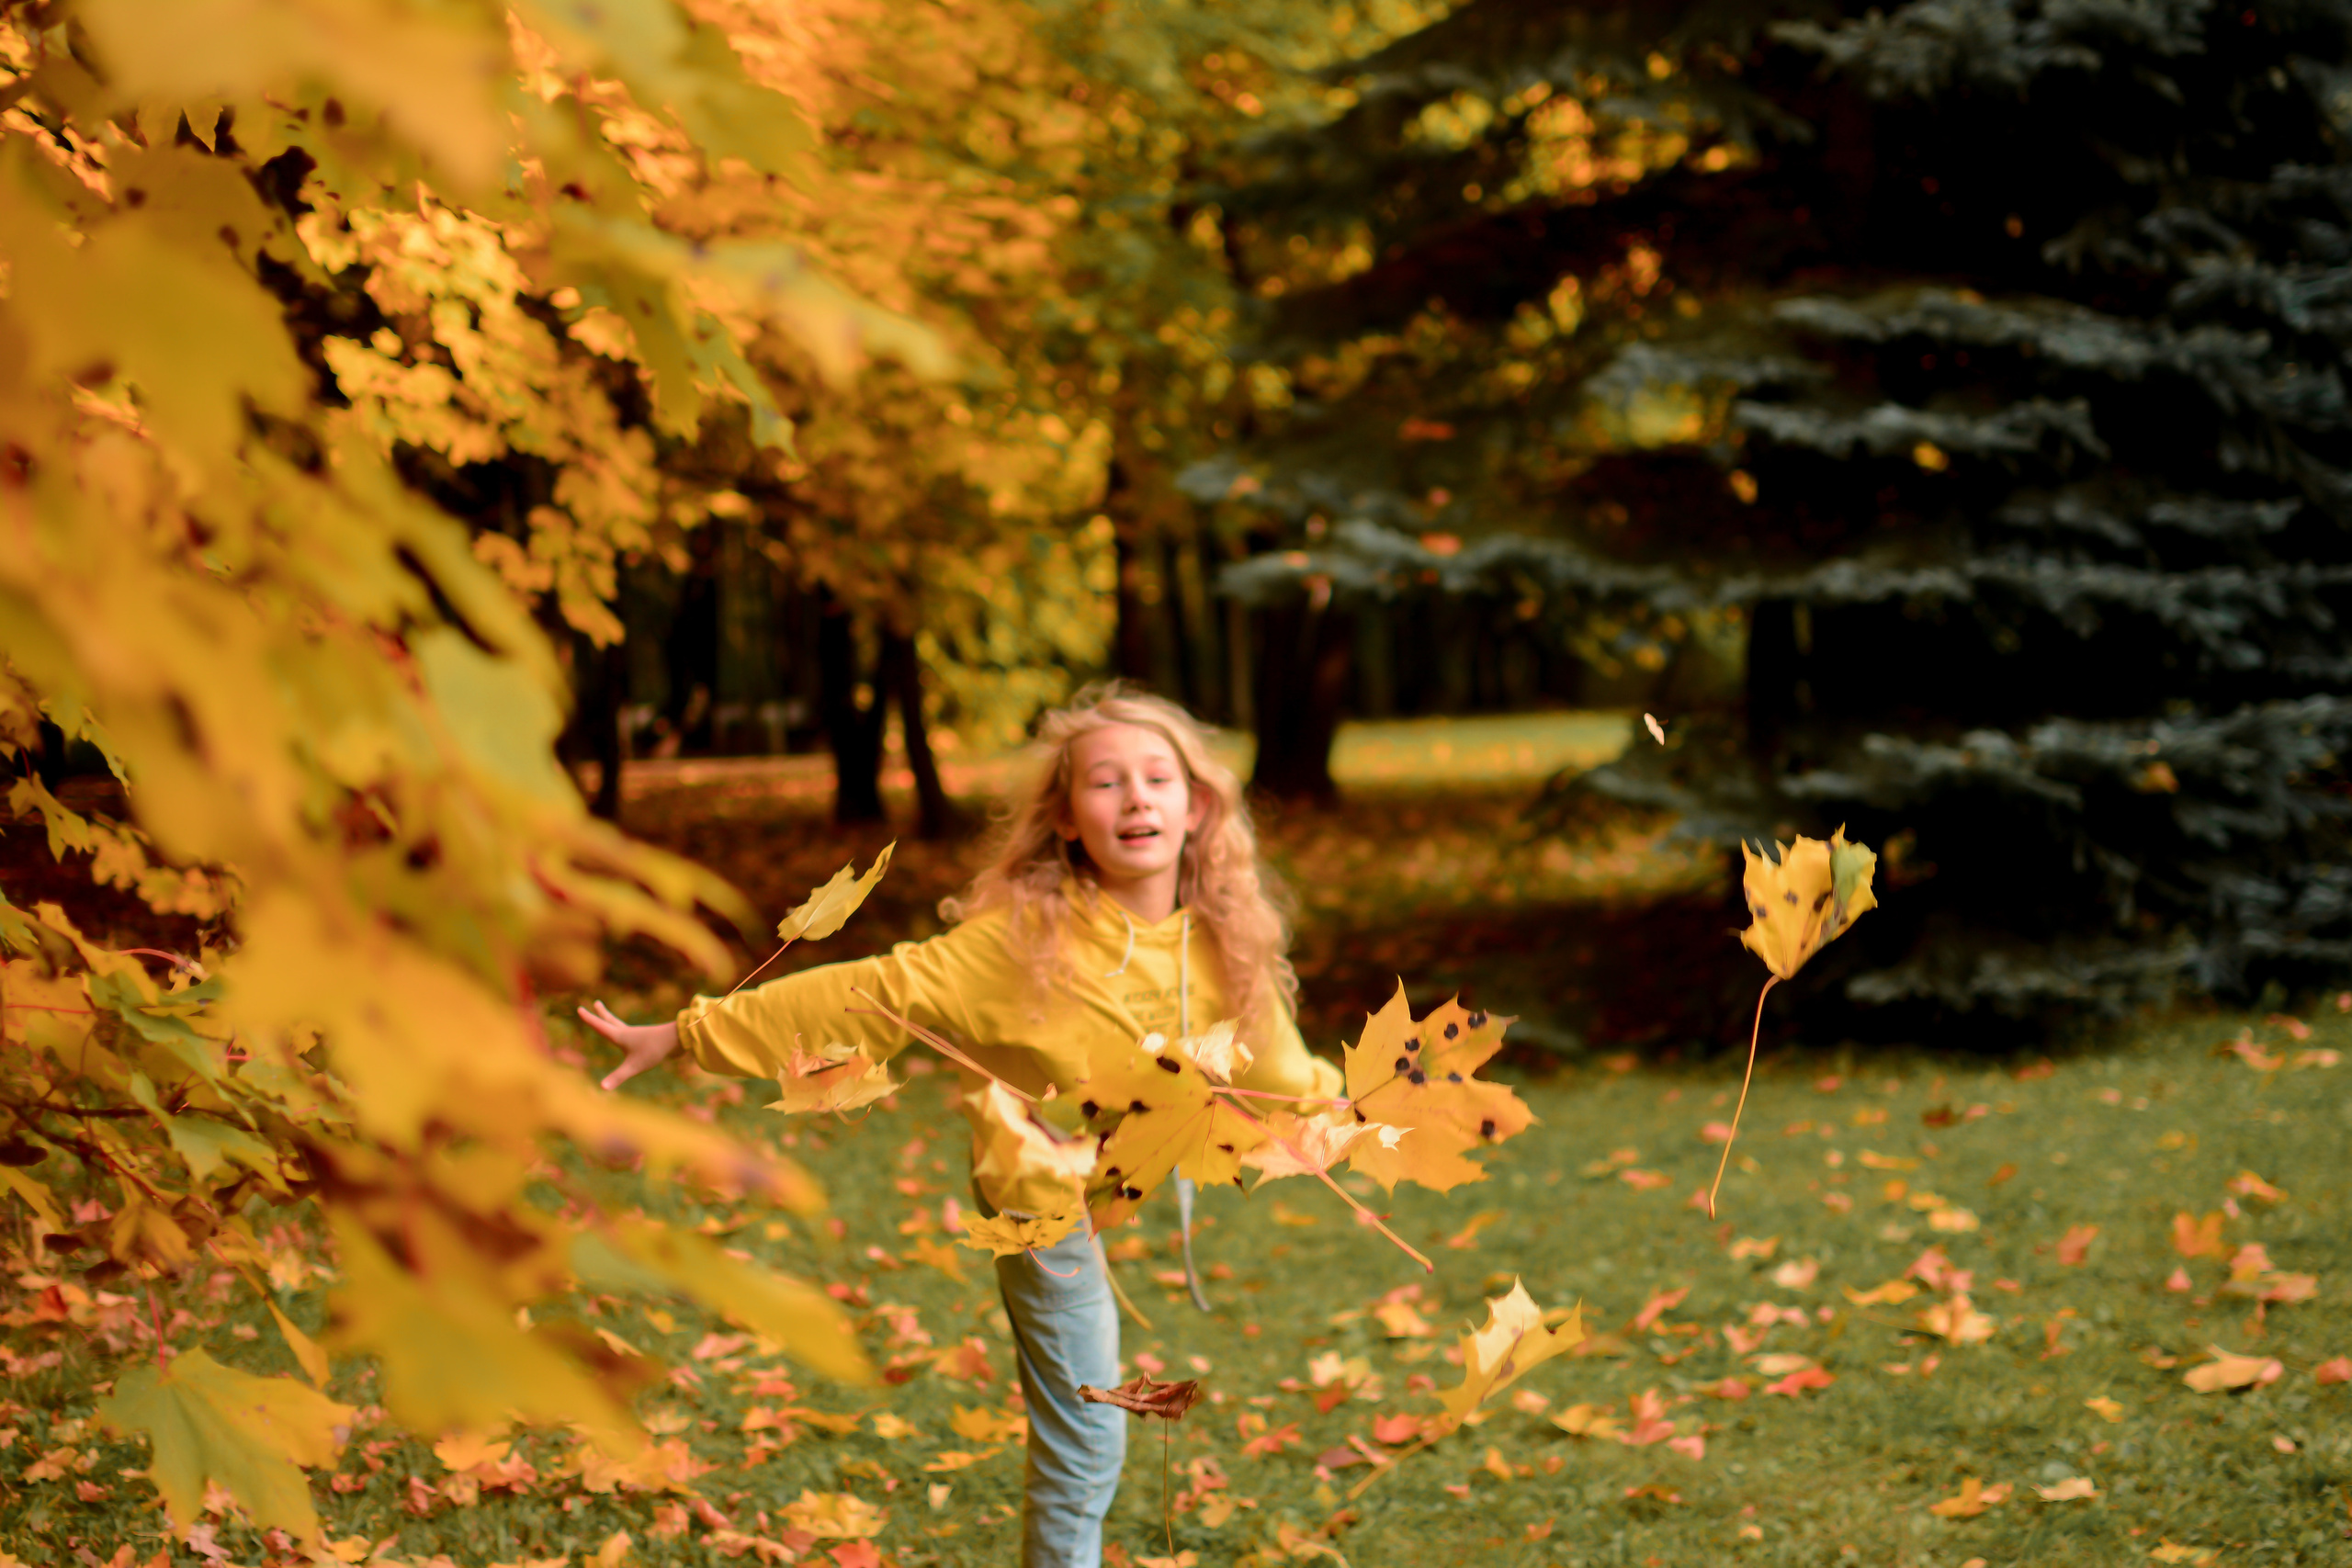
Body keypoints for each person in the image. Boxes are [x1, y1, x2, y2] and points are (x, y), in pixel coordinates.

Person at [576, 682, 1344, 1568]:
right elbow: (865, 994)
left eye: (1157, 778)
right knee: (1091, 1435)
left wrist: (1355, 1110)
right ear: (1066, 818)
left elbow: (1281, 1072)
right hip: (1041, 1194)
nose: (1135, 797)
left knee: (1095, 1431)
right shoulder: (1022, 944)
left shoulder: (1225, 938)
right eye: (1106, 782)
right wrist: (686, 1032)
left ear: (1197, 805)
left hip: (1128, 1167)